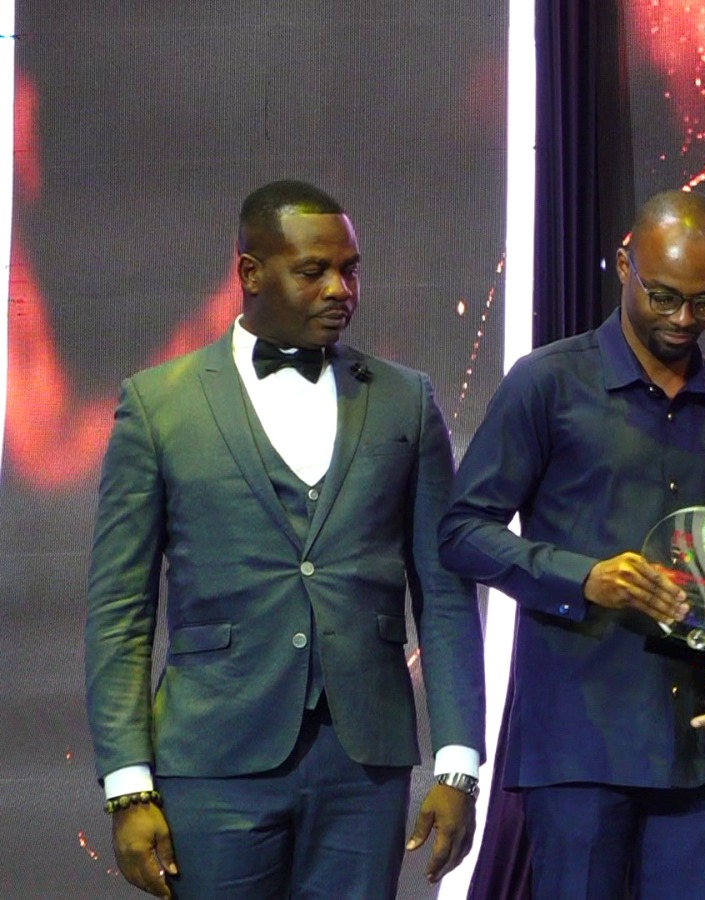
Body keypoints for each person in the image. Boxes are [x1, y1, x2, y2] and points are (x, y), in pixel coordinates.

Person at [84, 180, 487, 898]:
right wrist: (127, 785)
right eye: (313, 271)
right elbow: (120, 612)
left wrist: (458, 765)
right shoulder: (158, 403)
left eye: (350, 270)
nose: (340, 290)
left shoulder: (405, 399)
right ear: (250, 273)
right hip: (212, 758)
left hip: (364, 766)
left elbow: (446, 595)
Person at [437, 190, 705, 900]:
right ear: (625, 265)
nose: (683, 320)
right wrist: (581, 577)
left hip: (698, 751)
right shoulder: (548, 383)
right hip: (577, 747)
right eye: (664, 297)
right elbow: (463, 532)